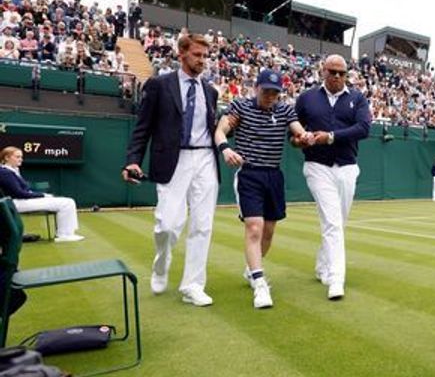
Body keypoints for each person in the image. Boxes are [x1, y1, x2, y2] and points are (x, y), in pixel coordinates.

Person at [122, 34, 220, 307]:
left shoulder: (210, 91)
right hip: (172, 161)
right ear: (182, 54)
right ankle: (161, 262)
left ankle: (193, 285)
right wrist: (132, 160)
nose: (202, 60)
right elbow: (142, 127)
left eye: (205, 56)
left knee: (202, 225)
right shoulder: (158, 85)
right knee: (167, 225)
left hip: (205, 160)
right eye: (197, 55)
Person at [214, 69, 314, 309]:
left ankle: (251, 270)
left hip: (273, 176)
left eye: (275, 92)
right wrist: (226, 149)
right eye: (266, 90)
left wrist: (305, 137)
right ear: (256, 87)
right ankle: (260, 283)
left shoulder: (285, 110)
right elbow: (220, 130)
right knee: (255, 228)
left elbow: (298, 130)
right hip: (249, 174)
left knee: (268, 232)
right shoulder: (240, 107)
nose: (270, 96)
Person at [295, 54, 371, 300]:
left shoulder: (357, 98)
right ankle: (336, 279)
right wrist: (301, 139)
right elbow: (294, 133)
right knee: (332, 222)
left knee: (339, 221)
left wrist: (331, 136)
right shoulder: (306, 98)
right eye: (332, 71)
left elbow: (364, 128)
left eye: (342, 72)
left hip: (347, 166)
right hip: (317, 166)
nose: (337, 76)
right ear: (323, 71)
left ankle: (322, 265)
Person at [0, 146, 84, 242]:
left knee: (67, 201)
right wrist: (42, 195)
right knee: (67, 203)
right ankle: (64, 235)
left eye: (21, 157)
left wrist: (41, 195)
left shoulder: (12, 171)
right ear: (7, 158)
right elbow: (19, 193)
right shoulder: (5, 173)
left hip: (19, 201)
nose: (21, 159)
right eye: (17, 157)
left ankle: (68, 233)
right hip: (14, 203)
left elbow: (25, 192)